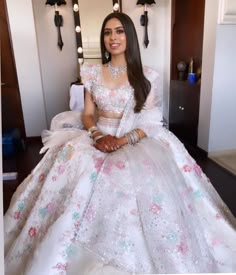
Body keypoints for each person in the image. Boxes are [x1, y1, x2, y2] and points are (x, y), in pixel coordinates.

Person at [4, 12, 236, 275]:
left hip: (135, 137)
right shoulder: (92, 72)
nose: (113, 38)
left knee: (150, 182)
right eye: (107, 32)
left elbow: (151, 120)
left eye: (119, 31)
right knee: (72, 172)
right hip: (97, 135)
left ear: (130, 36)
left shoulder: (148, 75)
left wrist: (123, 140)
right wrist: (98, 136)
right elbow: (87, 114)